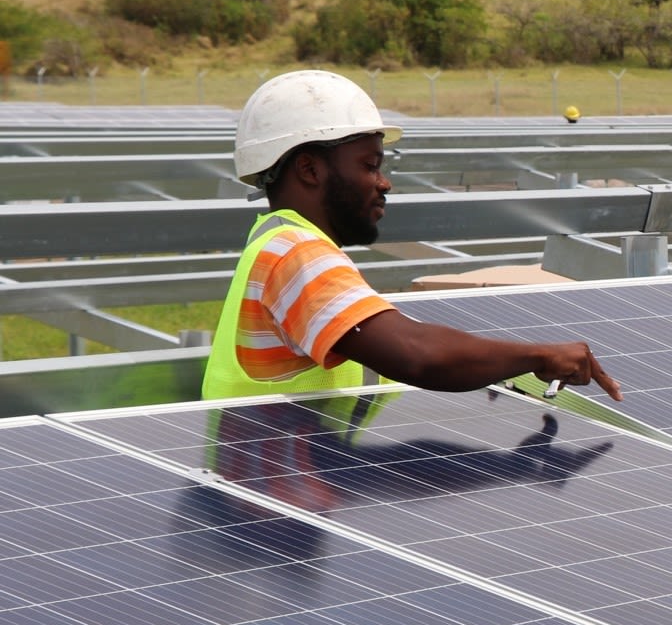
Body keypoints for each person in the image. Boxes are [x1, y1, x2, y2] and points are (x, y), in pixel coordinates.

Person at [203, 69, 622, 403]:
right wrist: (538, 356)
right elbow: (417, 356)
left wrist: (493, 366)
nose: (384, 183)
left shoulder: (274, 239)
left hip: (277, 481)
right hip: (275, 497)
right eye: (369, 165)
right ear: (310, 170)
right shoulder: (295, 254)